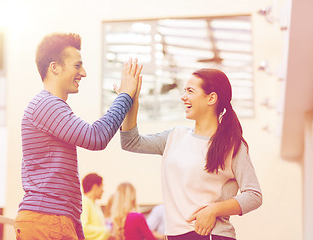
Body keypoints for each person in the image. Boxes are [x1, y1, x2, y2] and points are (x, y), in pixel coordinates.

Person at [14, 32, 142, 240]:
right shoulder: (46, 105)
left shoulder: (51, 107)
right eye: (77, 65)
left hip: (56, 219)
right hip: (47, 219)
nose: (83, 72)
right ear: (54, 67)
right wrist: (125, 96)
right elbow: (96, 137)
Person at [120, 69, 262, 240]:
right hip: (175, 235)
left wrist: (214, 210)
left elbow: (254, 195)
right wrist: (131, 100)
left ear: (211, 98)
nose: (183, 97)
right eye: (184, 91)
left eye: (190, 91)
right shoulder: (174, 136)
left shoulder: (233, 146)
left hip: (210, 235)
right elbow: (130, 142)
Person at [81, 173, 111, 240]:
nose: (103, 190)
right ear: (95, 187)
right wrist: (107, 231)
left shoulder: (95, 204)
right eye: (101, 187)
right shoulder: (84, 201)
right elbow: (83, 229)